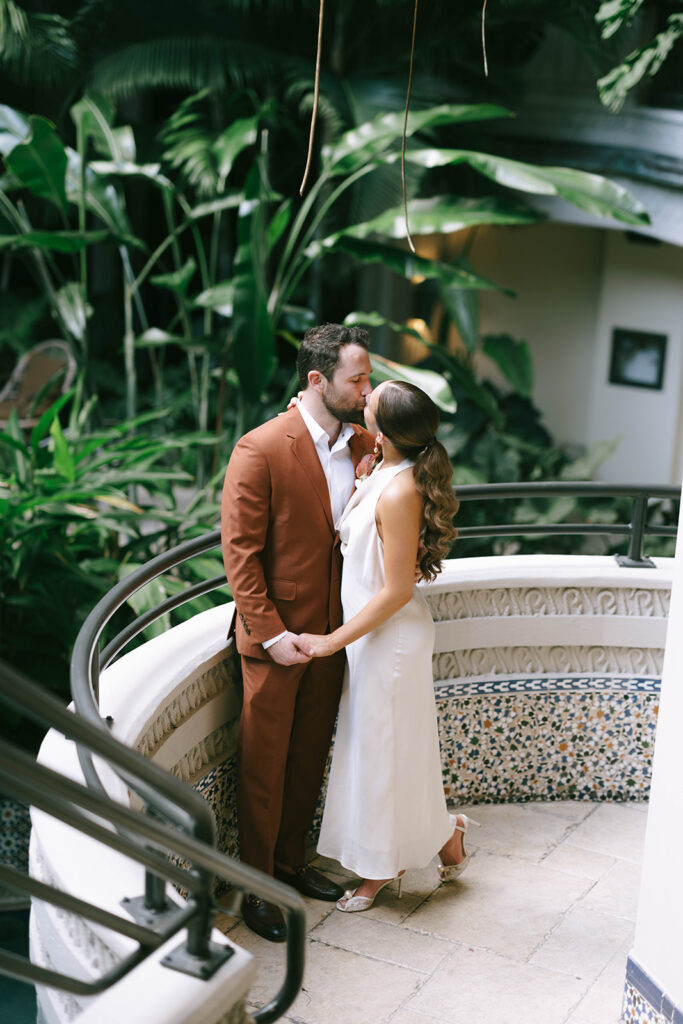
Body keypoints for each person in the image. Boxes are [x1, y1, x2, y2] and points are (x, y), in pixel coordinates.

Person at [296, 379, 479, 911]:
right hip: (371, 637)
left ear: (389, 429)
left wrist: (330, 642)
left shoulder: (400, 491)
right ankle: (446, 834)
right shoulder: (383, 466)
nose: (363, 398)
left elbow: (397, 590)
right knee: (390, 751)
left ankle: (380, 869)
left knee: (381, 754)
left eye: (370, 401)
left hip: (390, 640)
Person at [221, 323, 375, 941]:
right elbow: (241, 555)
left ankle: (290, 864)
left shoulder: (367, 443)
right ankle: (257, 887)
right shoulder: (259, 448)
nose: (367, 391)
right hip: (276, 639)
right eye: (357, 380)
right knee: (264, 766)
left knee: (309, 755)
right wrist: (271, 634)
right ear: (317, 380)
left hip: (336, 634)